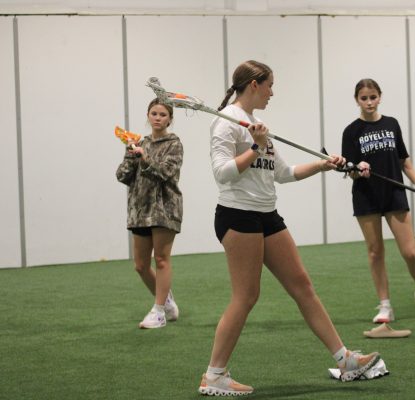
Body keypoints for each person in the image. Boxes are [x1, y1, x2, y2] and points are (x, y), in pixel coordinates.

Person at [199, 60, 380, 396]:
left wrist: (324, 165)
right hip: (238, 216)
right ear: (254, 84)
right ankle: (214, 375)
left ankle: (345, 361)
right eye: (270, 85)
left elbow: (283, 172)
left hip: (267, 215)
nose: (273, 92)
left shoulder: (256, 124)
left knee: (302, 285)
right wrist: (255, 147)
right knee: (246, 296)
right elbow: (223, 173)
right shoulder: (226, 124)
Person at [341, 78, 415, 323]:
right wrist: (357, 168)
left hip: (394, 193)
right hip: (366, 197)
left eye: (373, 97)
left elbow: (404, 161)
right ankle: (385, 306)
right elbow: (349, 169)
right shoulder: (351, 131)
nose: (369, 102)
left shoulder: (391, 124)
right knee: (375, 252)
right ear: (357, 100)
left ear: (380, 97)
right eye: (364, 98)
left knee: (410, 252)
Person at [116, 98, 183, 329]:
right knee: (141, 265)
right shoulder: (138, 143)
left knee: (162, 259)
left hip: (165, 208)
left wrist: (145, 157)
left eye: (163, 114)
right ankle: (166, 301)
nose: (157, 118)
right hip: (140, 209)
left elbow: (166, 172)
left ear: (170, 119)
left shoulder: (174, 144)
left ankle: (159, 312)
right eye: (154, 113)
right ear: (148, 116)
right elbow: (123, 176)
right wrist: (130, 155)